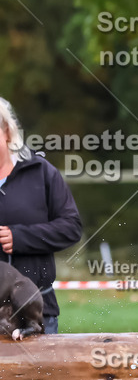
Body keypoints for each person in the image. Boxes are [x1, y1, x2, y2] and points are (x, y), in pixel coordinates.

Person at [0, 97, 83, 334]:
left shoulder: (41, 172)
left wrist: (21, 237)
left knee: (36, 374)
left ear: (7, 132)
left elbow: (71, 227)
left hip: (34, 314)